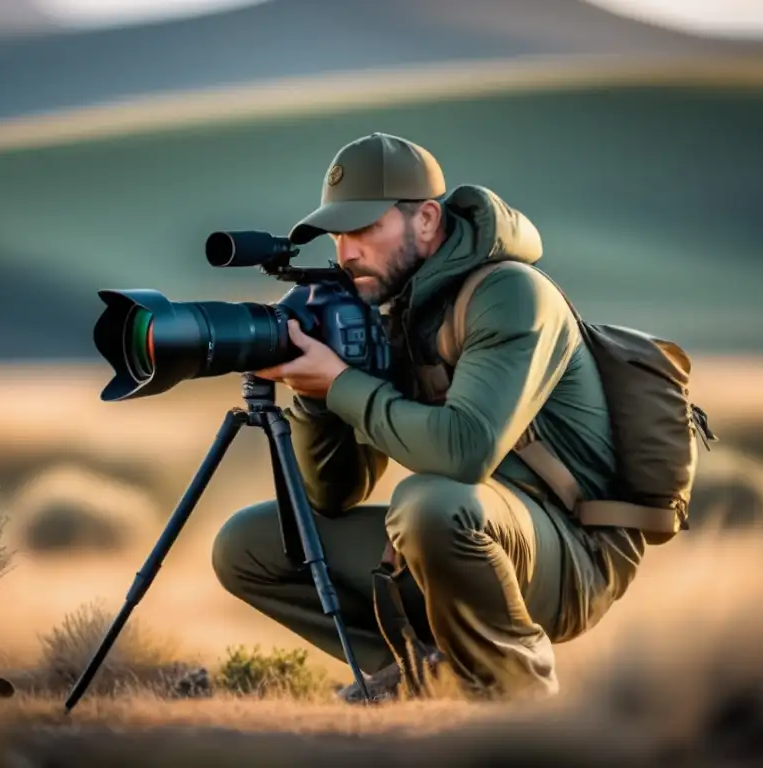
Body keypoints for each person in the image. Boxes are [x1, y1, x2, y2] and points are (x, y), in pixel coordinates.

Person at [211, 132, 646, 702]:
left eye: (365, 228)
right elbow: (335, 496)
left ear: (427, 220)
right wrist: (313, 395)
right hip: (462, 537)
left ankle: (517, 698)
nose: (345, 252)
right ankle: (419, 678)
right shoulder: (394, 309)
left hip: (570, 552)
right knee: (248, 544)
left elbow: (466, 450)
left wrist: (341, 384)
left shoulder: (509, 293)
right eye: (337, 234)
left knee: (430, 503)